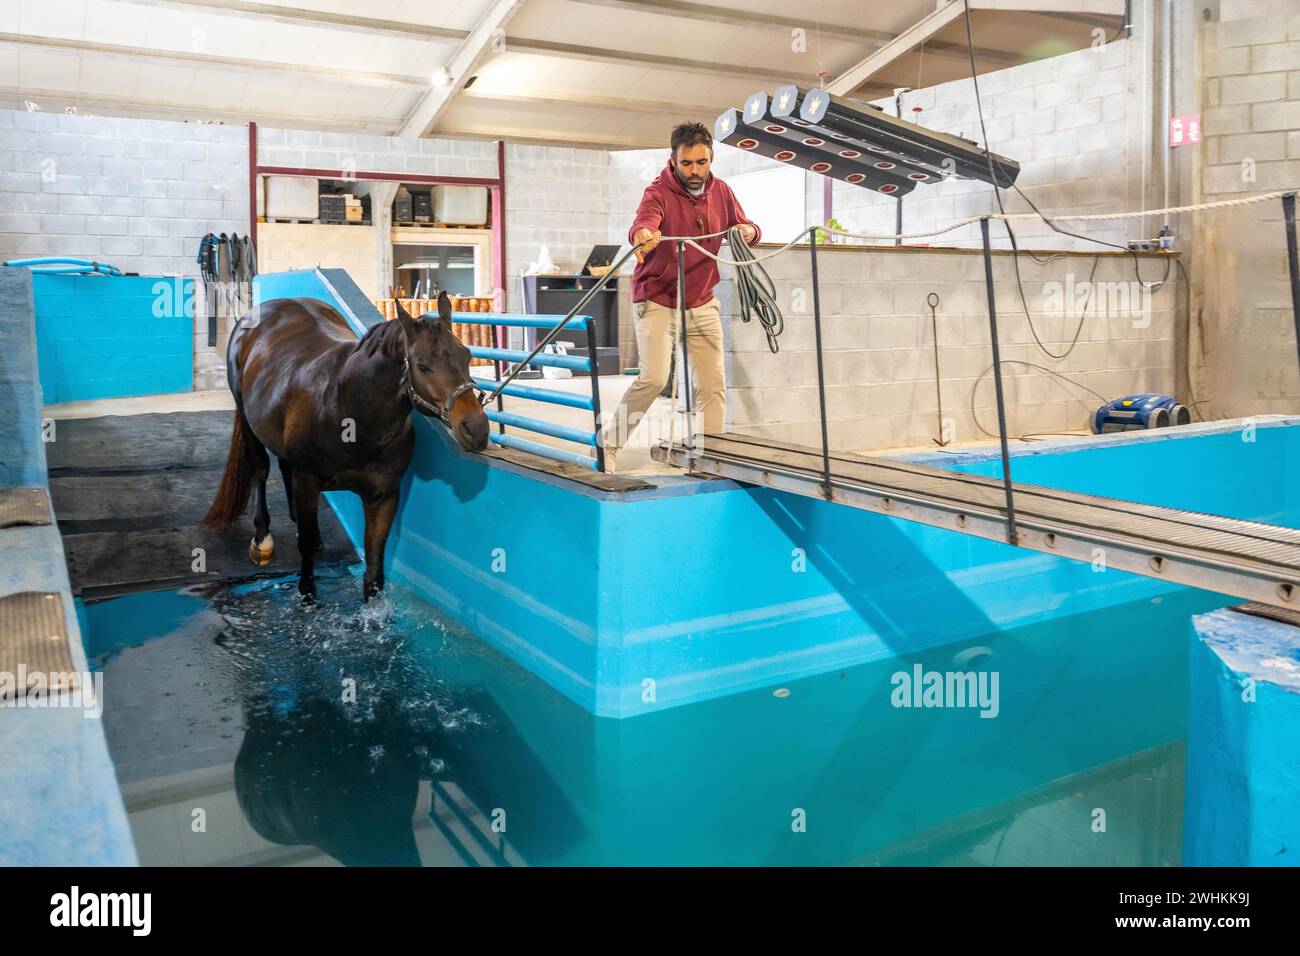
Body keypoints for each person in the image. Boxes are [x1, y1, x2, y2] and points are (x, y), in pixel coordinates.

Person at [600, 121, 761, 469]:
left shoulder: (722, 192)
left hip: (702, 300)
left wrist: (748, 230)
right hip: (657, 298)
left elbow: (749, 226)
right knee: (654, 378)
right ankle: (608, 445)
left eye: (701, 162)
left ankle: (714, 455)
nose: (694, 171)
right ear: (673, 159)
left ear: (711, 158)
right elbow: (643, 222)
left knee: (713, 384)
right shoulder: (657, 192)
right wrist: (643, 233)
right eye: (687, 163)